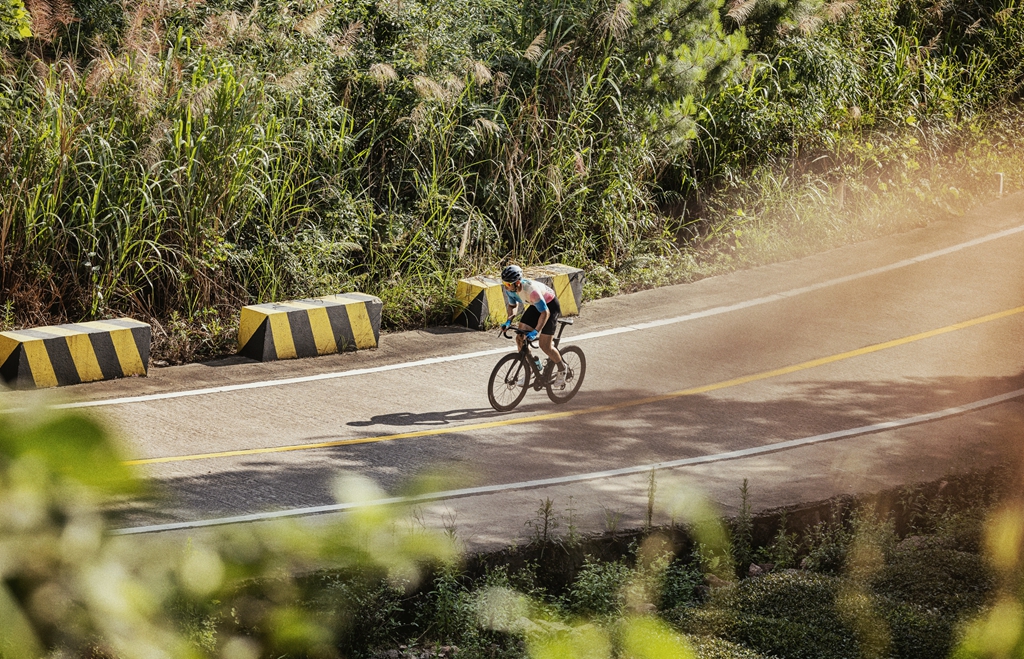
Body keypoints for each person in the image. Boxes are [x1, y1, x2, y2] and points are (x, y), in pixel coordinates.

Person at [500, 264, 566, 388]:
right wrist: (508, 321)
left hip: (549, 307)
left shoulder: (531, 291)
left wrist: (536, 331)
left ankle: (562, 369)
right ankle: (531, 367)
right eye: (504, 283)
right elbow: (513, 306)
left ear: (518, 282)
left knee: (544, 345)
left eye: (508, 284)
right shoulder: (511, 290)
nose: (506, 287)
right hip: (536, 306)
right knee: (520, 337)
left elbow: (545, 313)